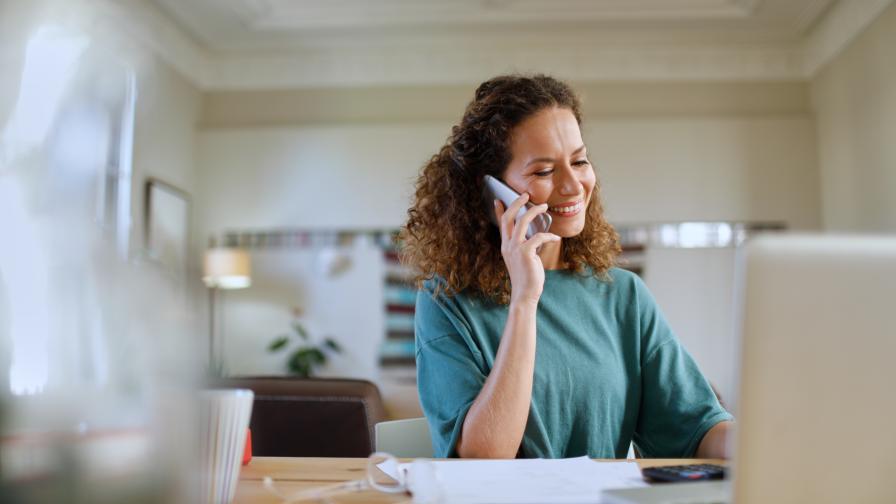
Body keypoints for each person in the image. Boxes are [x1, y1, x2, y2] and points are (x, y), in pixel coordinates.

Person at [399, 74, 733, 459]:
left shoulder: (623, 295)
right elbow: (484, 456)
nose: (573, 185)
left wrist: (767, 441)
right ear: (491, 192)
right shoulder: (446, 300)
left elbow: (699, 426)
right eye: (544, 171)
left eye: (579, 161)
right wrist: (525, 300)